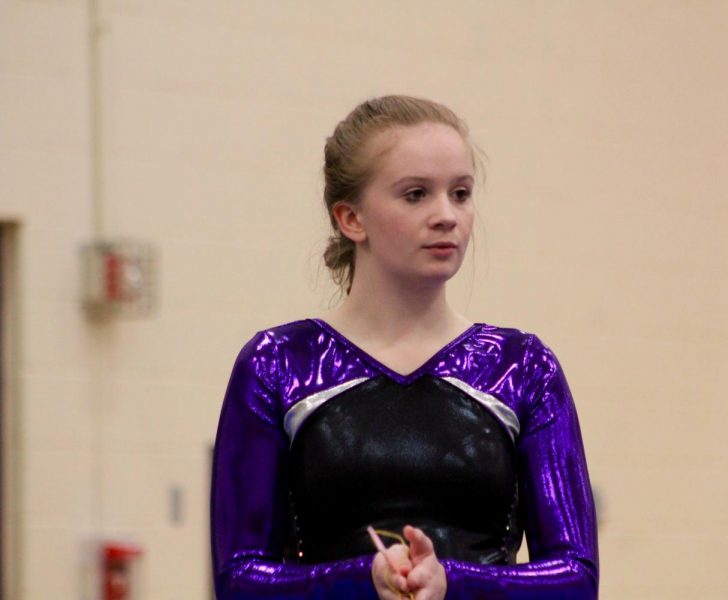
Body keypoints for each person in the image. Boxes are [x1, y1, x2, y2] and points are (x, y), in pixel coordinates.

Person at [210, 95, 599, 599]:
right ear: (352, 219)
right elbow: (238, 578)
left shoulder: (522, 368)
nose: (446, 215)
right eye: (416, 194)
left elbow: (576, 577)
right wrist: (362, 581)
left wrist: (452, 582)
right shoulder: (279, 364)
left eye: (460, 193)